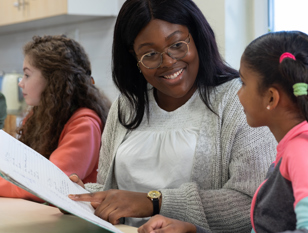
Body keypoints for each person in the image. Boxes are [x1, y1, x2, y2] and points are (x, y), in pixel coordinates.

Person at [68, 0, 277, 232]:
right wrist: (83, 197)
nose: (167, 62)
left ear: (197, 37)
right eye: (149, 54)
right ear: (133, 58)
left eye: (177, 44)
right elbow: (114, 190)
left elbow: (255, 204)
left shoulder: (238, 100)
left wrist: (154, 202)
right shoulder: (126, 105)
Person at [138, 31, 308, 232]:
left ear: (271, 98)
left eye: (244, 83)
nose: (238, 94)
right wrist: (193, 231)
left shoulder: (303, 152)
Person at [0, 35, 111, 203]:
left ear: (53, 80)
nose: (21, 83)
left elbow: (46, 185)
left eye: (27, 75)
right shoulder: (39, 116)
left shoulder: (84, 125)